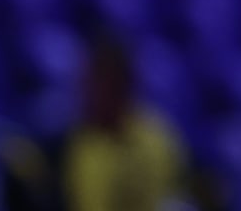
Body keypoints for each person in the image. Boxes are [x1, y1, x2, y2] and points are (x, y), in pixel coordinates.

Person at [59, 35, 188, 211]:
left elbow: (173, 194)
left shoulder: (156, 136)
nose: (91, 96)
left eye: (102, 86)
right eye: (88, 86)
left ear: (123, 88)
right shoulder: (78, 150)